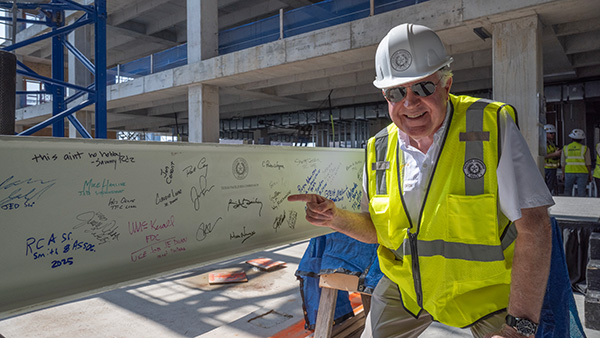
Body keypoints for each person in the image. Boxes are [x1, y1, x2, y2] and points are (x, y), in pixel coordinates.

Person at [288, 23, 553, 338]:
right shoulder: (378, 151)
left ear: (447, 84)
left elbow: (534, 227)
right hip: (407, 290)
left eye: (423, 88)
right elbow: (378, 230)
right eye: (396, 93)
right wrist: (335, 217)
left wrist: (520, 327)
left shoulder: (491, 127)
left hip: (487, 295)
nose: (410, 103)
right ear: (385, 96)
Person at [561, 129, 592, 197]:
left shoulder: (565, 148)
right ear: (581, 139)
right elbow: (588, 163)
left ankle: (567, 205)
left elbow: (563, 163)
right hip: (582, 172)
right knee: (581, 192)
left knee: (567, 191)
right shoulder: (585, 148)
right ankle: (581, 206)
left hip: (569, 172)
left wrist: (563, 174)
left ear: (571, 138)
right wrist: (590, 175)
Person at [543, 124, 561, 195]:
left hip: (553, 168)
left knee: (552, 186)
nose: (553, 135)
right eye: (551, 133)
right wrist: (555, 154)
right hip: (546, 168)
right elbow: (542, 156)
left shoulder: (551, 143)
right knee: (548, 187)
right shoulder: (542, 143)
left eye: (554, 133)